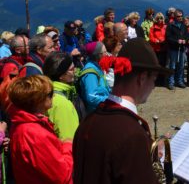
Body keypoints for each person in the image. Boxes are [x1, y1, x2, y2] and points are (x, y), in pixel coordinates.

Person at [73, 38, 171, 184]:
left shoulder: (89, 120)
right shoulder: (132, 134)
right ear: (142, 78)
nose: (153, 86)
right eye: (154, 79)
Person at [8, 75, 73, 183]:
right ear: (38, 99)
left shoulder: (23, 124)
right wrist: (68, 146)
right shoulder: (33, 133)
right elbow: (62, 175)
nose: (54, 97)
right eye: (50, 94)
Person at [44, 52, 81, 139]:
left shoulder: (47, 92)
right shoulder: (62, 103)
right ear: (61, 75)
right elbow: (69, 139)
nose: (75, 70)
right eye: (72, 69)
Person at [78, 41, 110, 113]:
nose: (107, 54)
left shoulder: (97, 67)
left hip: (102, 109)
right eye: (105, 52)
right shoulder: (90, 73)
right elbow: (91, 97)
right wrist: (109, 101)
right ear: (98, 55)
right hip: (95, 113)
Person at [166, 9, 189, 89]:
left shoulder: (184, 26)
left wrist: (185, 41)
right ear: (175, 16)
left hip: (182, 49)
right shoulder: (170, 25)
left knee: (181, 66)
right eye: (178, 16)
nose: (179, 18)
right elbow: (168, 37)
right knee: (172, 66)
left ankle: (179, 81)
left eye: (181, 16)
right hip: (173, 49)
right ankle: (171, 82)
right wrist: (177, 41)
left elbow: (187, 36)